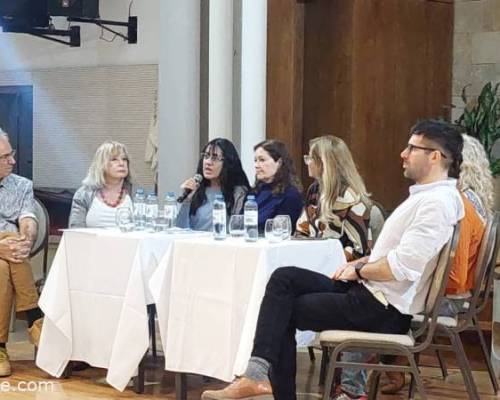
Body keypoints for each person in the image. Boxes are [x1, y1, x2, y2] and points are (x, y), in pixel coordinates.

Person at [200, 120, 465, 400]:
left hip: (382, 308)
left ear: (435, 156)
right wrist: (360, 263)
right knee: (283, 278)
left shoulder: (436, 204)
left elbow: (402, 267)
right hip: (372, 293)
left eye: (412, 148)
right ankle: (257, 375)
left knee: (283, 309)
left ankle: (261, 380)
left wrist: (360, 270)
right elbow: (396, 257)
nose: (403, 153)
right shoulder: (429, 198)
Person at [379, 132, 494, 395]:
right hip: (458, 293)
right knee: (380, 294)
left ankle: (354, 384)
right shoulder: (469, 199)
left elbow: (453, 277)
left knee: (378, 300)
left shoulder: (456, 204)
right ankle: (390, 366)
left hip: (451, 297)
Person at [0, 129, 43, 377]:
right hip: (8, 248)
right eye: (5, 157)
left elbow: (28, 217)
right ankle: (35, 318)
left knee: (4, 264)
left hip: (12, 256)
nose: (13, 161)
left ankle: (0, 347)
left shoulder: (22, 185)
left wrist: (27, 235)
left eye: (11, 154)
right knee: (8, 239)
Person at [296, 135, 372, 261]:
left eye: (310, 158)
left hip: (340, 271)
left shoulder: (351, 198)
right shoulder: (315, 190)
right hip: (313, 262)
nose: (307, 162)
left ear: (324, 163)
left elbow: (359, 250)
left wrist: (323, 261)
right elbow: (301, 230)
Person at [177, 138, 250, 231]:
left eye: (215, 158)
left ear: (228, 163)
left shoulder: (238, 193)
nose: (208, 162)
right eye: (206, 156)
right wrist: (186, 201)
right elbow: (179, 230)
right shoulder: (196, 190)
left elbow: (238, 230)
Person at [69, 141, 133, 228]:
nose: (122, 163)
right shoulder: (83, 194)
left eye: (124, 159)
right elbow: (75, 232)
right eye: (114, 159)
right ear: (101, 164)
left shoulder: (136, 195)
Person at [251, 140, 303, 233]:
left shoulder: (290, 194)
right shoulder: (254, 192)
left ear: (279, 162)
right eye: (255, 160)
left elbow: (281, 231)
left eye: (262, 160)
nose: (256, 165)